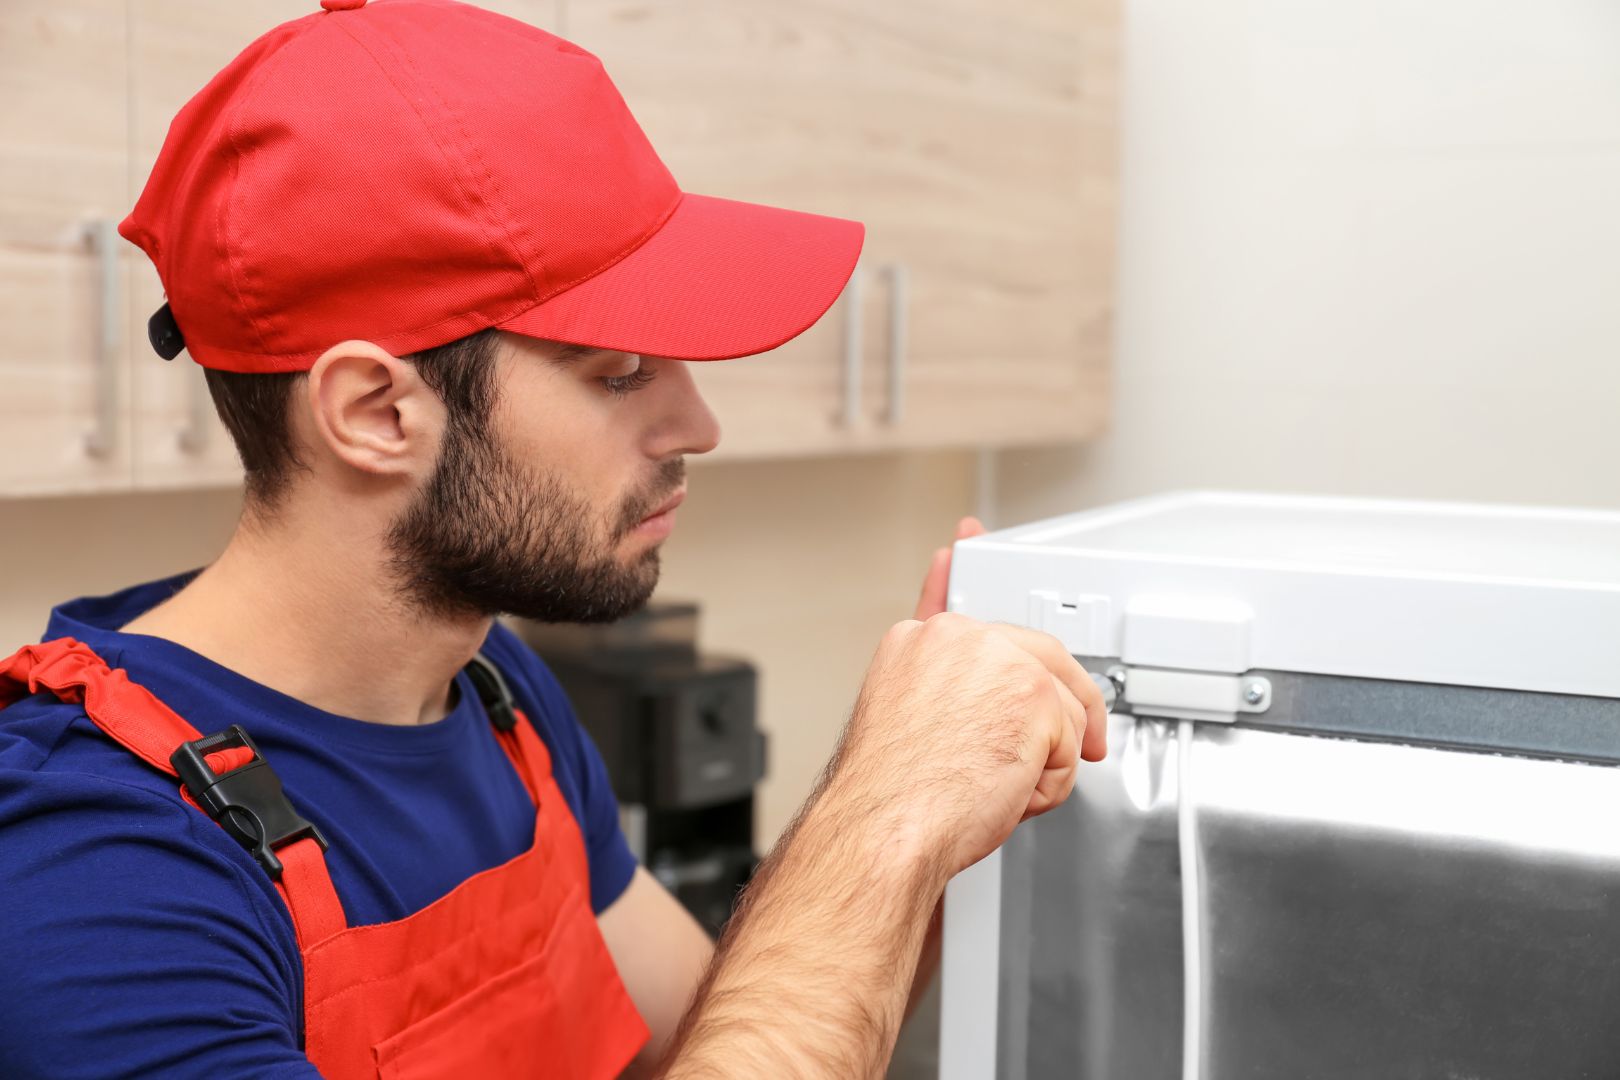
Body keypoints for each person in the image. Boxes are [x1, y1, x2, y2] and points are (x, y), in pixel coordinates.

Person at [0, 1, 1107, 1077]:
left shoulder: (495, 697)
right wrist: (881, 810)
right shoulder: (95, 872)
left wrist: (955, 793)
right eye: (619, 372)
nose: (699, 427)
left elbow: (717, 1038)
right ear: (377, 415)